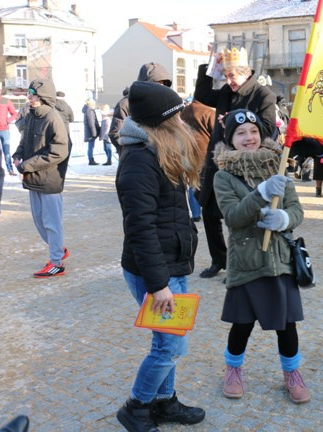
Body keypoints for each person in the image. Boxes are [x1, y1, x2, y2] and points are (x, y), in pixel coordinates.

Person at [115, 81, 205, 431]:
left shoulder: (159, 151)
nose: (183, 123)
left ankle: (164, 402)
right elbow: (141, 229)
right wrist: (159, 285)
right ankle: (136, 407)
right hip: (155, 272)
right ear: (161, 123)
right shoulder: (139, 162)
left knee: (168, 340)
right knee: (169, 345)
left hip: (171, 264)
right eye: (177, 118)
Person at [213, 109, 309, 404]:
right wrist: (262, 193)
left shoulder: (278, 166)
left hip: (279, 262)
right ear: (230, 139)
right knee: (241, 324)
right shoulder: (223, 176)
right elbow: (233, 217)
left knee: (286, 325)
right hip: (246, 263)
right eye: (240, 133)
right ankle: (233, 370)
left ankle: (292, 374)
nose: (248, 137)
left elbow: (297, 212)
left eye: (253, 131)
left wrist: (282, 219)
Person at [194, 47, 277, 278]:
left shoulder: (263, 95)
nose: (228, 80)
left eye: (232, 76)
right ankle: (218, 259)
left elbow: (269, 132)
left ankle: (238, 264)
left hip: (244, 167)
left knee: (239, 218)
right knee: (209, 212)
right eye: (226, 75)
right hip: (217, 162)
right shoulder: (224, 92)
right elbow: (201, 94)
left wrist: (235, 124)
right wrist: (211, 64)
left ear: (245, 72)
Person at [12, 79, 70, 278]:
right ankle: (58, 249)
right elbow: (24, 141)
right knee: (39, 221)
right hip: (33, 178)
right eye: (29, 93)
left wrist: (27, 165)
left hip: (50, 180)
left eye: (33, 94)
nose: (30, 97)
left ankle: (57, 263)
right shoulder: (31, 116)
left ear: (43, 96)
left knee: (51, 223)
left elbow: (59, 152)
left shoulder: (53, 118)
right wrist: (18, 155)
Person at [109, 63, 173, 153]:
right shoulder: (125, 103)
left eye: (162, 85)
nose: (160, 88)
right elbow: (115, 133)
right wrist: (130, 152)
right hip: (136, 159)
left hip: (162, 158)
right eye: (157, 84)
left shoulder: (164, 103)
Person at [180, 97, 217, 223]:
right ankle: (209, 210)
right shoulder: (209, 112)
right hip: (206, 153)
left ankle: (196, 214)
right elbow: (216, 134)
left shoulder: (184, 112)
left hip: (188, 152)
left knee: (192, 183)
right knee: (208, 182)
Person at [0, 82, 18, 176]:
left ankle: (10, 170)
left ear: (0, 91)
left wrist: (8, 120)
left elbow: (14, 113)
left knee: (6, 151)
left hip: (4, 130)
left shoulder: (5, 100)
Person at [82, 99, 100, 165]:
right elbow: (91, 123)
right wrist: (94, 133)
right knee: (91, 147)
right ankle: (91, 160)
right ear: (91, 104)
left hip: (89, 132)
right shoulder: (90, 110)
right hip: (91, 132)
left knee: (90, 146)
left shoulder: (87, 110)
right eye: (94, 104)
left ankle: (91, 159)